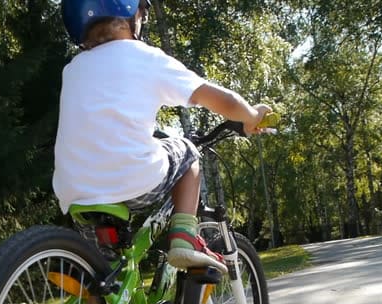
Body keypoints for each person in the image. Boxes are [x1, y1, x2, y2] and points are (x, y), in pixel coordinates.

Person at [54, 0, 272, 271]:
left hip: (76, 192)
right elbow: (220, 100)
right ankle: (183, 239)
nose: (143, 17)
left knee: (105, 278)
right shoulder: (144, 57)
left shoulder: (73, 69)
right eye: (142, 11)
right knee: (189, 152)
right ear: (128, 14)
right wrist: (251, 116)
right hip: (131, 181)